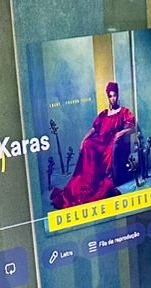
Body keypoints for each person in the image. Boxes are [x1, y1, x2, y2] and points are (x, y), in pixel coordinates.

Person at [51, 80, 137, 210]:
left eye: (114, 95)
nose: (113, 98)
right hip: (99, 141)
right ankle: (86, 182)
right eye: (110, 96)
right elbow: (94, 129)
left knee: (94, 149)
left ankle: (92, 184)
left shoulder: (123, 112)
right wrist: (83, 139)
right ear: (108, 97)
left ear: (117, 95)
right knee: (88, 145)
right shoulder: (104, 114)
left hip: (109, 142)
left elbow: (133, 127)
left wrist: (121, 132)